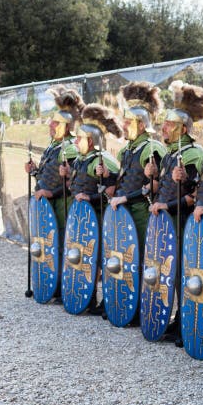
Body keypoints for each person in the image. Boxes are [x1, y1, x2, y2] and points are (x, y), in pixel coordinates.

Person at [148, 81, 203, 345]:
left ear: (183, 129)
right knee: (167, 271)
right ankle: (175, 317)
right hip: (166, 222)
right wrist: (150, 181)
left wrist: (168, 204)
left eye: (170, 125)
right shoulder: (169, 154)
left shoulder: (193, 153)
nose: (164, 128)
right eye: (165, 124)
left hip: (184, 221)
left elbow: (191, 196)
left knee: (184, 272)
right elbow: (162, 192)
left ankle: (187, 320)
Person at [59, 104, 121, 315]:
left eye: (80, 139)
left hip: (100, 217)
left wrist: (93, 193)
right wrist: (67, 175)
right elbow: (75, 188)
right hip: (82, 220)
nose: (75, 141)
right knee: (83, 257)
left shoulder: (105, 161)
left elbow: (112, 190)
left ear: (91, 141)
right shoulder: (80, 161)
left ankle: (107, 300)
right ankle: (88, 295)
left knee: (103, 259)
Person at [25, 85, 84, 302]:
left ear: (66, 126)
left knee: (61, 248)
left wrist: (51, 193)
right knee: (47, 246)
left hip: (62, 207)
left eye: (55, 122)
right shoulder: (53, 147)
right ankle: (51, 285)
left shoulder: (70, 148)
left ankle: (61, 288)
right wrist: (34, 173)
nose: (51, 125)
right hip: (48, 208)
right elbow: (46, 179)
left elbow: (73, 182)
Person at [103, 82, 166, 248]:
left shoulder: (152, 148)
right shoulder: (127, 150)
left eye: (128, 122)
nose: (123, 125)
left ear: (141, 125)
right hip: (124, 212)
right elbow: (128, 179)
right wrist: (108, 176)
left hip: (142, 214)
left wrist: (125, 197)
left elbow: (157, 184)